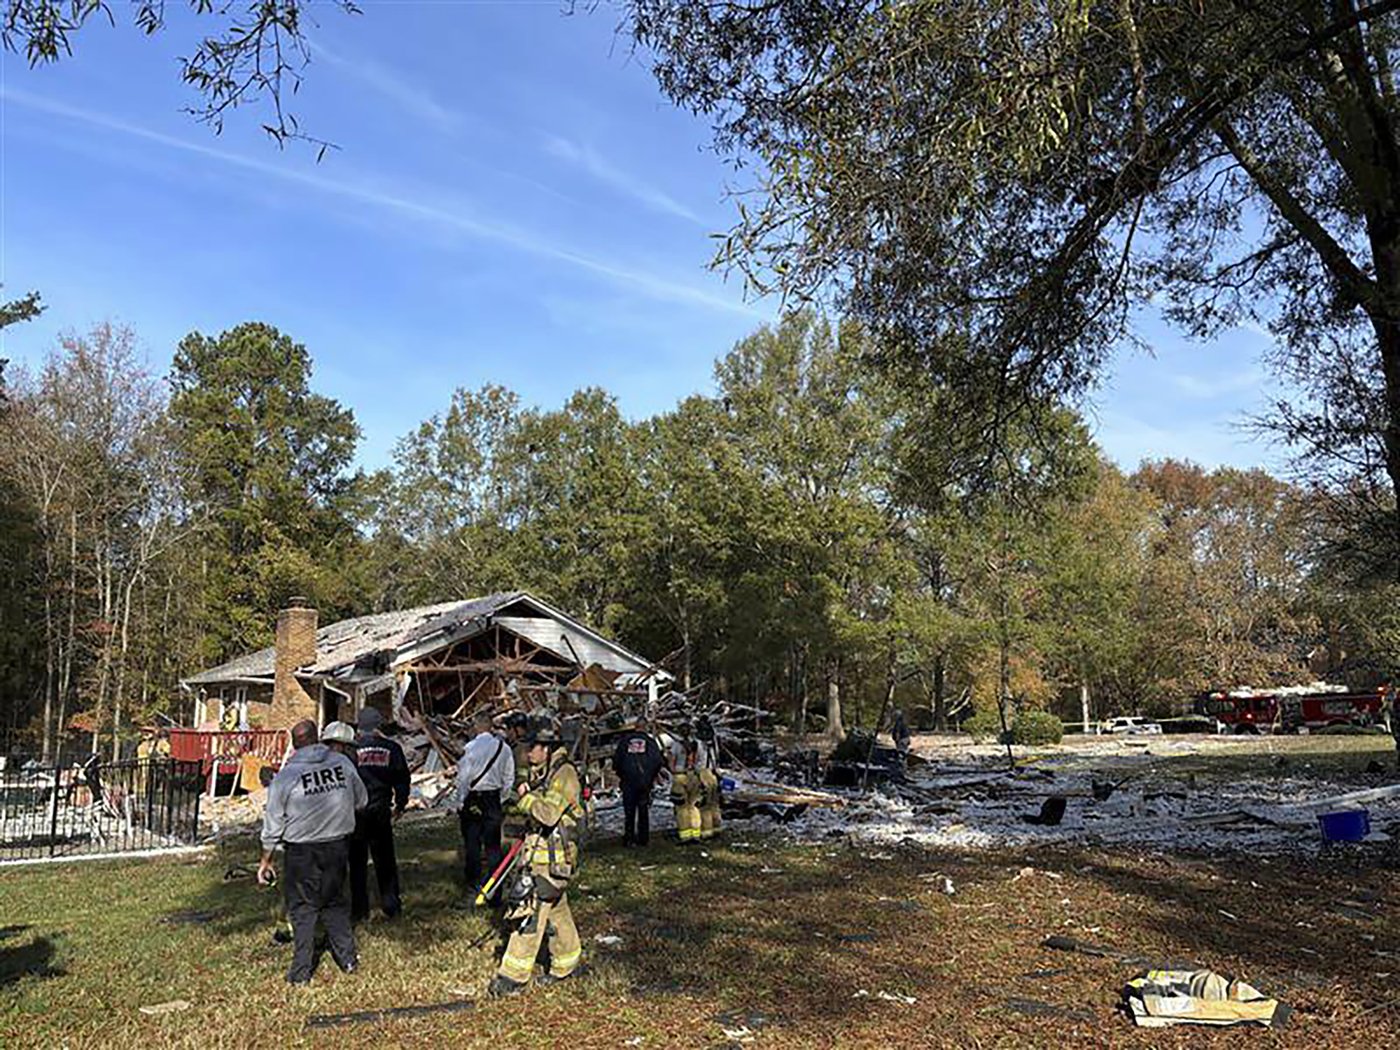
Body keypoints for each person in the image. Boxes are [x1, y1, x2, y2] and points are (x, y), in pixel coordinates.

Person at [257, 719, 367, 985]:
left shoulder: (286, 777)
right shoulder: (341, 764)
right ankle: (348, 960)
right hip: (337, 845)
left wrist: (266, 860)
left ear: (295, 744)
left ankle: (301, 972)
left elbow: (273, 822)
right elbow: (361, 800)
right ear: (317, 738)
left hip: (301, 850)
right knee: (334, 901)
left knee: (303, 908)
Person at [489, 731, 584, 997]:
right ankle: (568, 963)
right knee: (556, 910)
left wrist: (525, 798)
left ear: (547, 748)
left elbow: (549, 814)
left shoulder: (564, 775)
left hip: (553, 858)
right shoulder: (546, 772)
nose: (528, 753)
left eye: (533, 748)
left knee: (529, 912)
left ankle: (513, 978)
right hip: (543, 856)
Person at [349, 707, 410, 922]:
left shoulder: (351, 750)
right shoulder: (392, 748)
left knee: (357, 862)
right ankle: (391, 905)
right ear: (378, 726)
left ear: (359, 726)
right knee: (385, 860)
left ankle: (359, 910)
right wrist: (400, 804)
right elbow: (402, 779)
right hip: (381, 809)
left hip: (356, 812)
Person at [455, 712, 515, 895]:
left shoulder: (470, 748)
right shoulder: (503, 748)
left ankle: (473, 882)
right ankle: (495, 882)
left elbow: (463, 778)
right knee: (493, 844)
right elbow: (509, 777)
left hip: (473, 797)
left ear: (476, 727)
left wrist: (461, 800)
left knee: (472, 842)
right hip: (493, 798)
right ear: (491, 726)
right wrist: (501, 798)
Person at [612, 720, 663, 846]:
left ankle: (629, 838)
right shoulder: (651, 742)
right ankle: (643, 838)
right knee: (643, 810)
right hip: (644, 782)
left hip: (628, 782)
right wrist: (650, 777)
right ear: (646, 727)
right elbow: (657, 761)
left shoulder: (625, 741)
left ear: (635, 727)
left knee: (629, 812)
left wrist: (622, 775)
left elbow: (617, 761)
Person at [668, 726, 703, 844]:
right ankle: (696, 834)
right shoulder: (697, 745)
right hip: (694, 777)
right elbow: (701, 761)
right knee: (693, 806)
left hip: (680, 776)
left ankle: (685, 835)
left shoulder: (676, 745)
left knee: (681, 807)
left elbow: (671, 761)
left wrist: (673, 770)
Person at [694, 717, 723, 841]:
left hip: (702, 773)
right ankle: (717, 827)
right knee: (714, 803)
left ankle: (706, 831)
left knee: (704, 804)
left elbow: (695, 760)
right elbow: (717, 756)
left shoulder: (697, 742)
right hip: (713, 772)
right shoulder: (714, 741)